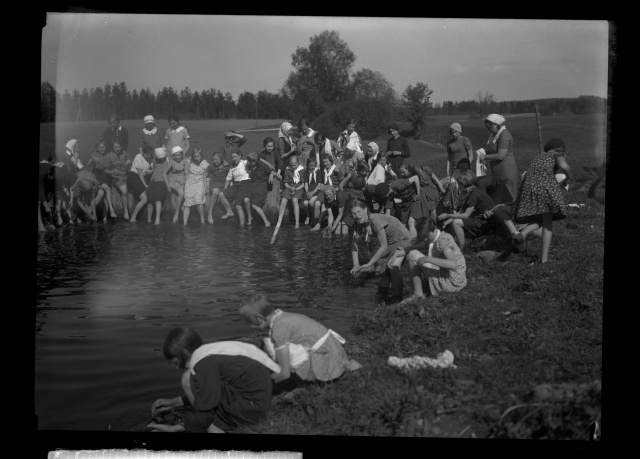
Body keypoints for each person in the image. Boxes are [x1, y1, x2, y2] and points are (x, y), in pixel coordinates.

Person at [148, 327, 276, 433]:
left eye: (176, 362)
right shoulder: (209, 352)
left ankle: (216, 430)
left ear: (185, 353)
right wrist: (175, 402)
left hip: (250, 412)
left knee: (187, 378)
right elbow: (211, 390)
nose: (176, 368)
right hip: (258, 404)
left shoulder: (204, 363)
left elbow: (207, 412)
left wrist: (179, 427)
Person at [239, 294, 361, 386]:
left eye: (250, 324)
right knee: (274, 345)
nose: (251, 327)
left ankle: (312, 380)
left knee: (270, 346)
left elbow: (284, 373)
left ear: (260, 318)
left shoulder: (278, 329)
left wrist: (263, 385)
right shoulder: (283, 316)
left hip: (326, 356)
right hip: (334, 350)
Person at [511, 138, 571, 264]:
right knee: (548, 223)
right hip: (544, 189)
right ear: (560, 149)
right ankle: (544, 260)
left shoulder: (539, 157)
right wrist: (567, 178)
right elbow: (564, 166)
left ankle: (523, 234)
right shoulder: (557, 154)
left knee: (541, 218)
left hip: (529, 189)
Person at [350, 201, 412, 303]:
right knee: (382, 275)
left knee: (393, 266)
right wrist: (356, 265)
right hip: (389, 242)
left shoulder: (375, 221)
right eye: (354, 213)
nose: (357, 216)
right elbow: (354, 246)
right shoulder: (358, 225)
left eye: (359, 212)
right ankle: (382, 299)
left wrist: (370, 263)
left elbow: (383, 247)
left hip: (402, 239)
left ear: (365, 209)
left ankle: (398, 298)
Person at [395, 216, 467, 302]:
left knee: (412, 255)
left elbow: (453, 264)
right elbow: (423, 244)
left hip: (453, 282)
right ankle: (416, 293)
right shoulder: (438, 235)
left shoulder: (443, 241)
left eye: (426, 235)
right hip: (458, 279)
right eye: (423, 236)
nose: (425, 239)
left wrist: (428, 259)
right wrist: (404, 250)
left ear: (434, 228)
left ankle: (417, 294)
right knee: (411, 252)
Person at [438, 170, 496, 249]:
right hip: (485, 218)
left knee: (456, 223)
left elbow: (465, 215)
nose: (458, 186)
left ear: (462, 184)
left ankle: (462, 247)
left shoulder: (474, 195)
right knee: (458, 228)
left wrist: (447, 215)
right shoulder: (473, 191)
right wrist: (447, 222)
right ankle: (465, 244)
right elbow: (460, 212)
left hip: (486, 221)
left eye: (458, 184)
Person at [481, 114, 519, 201]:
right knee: (499, 195)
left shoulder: (504, 135)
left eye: (490, 127)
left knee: (509, 194)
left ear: (496, 125)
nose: (489, 129)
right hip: (497, 171)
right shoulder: (493, 135)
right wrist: (484, 151)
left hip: (506, 171)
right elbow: (493, 150)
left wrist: (485, 157)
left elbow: (500, 155)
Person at [85, 140, 117, 219]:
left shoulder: (109, 155)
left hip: (106, 176)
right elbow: (88, 164)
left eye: (103, 147)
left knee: (102, 193)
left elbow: (115, 164)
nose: (102, 149)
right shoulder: (94, 154)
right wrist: (92, 159)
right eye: (100, 147)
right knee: (107, 188)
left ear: (105, 147)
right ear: (97, 148)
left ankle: (89, 209)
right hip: (97, 175)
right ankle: (111, 210)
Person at [222, 150, 253, 227]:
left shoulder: (244, 162)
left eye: (236, 156)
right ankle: (229, 211)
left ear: (240, 156)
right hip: (236, 185)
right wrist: (225, 189)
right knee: (221, 194)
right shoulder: (232, 166)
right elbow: (228, 179)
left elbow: (254, 160)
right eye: (232, 157)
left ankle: (242, 226)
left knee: (238, 206)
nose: (234, 158)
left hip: (245, 184)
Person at [275, 155, 305, 229]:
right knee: (283, 200)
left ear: (298, 163)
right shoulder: (288, 170)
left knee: (294, 200)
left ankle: (297, 223)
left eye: (295, 165)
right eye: (292, 165)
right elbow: (285, 183)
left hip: (299, 187)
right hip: (289, 187)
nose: (293, 167)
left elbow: (303, 184)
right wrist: (290, 188)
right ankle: (279, 221)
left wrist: (296, 188)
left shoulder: (302, 170)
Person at [106, 141, 132, 220]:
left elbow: (130, 159)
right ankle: (126, 211)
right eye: (115, 147)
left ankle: (130, 210)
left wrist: (129, 161)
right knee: (124, 191)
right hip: (116, 177)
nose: (117, 149)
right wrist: (113, 172)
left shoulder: (124, 153)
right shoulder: (108, 156)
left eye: (118, 147)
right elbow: (106, 170)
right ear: (112, 148)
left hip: (125, 174)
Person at [246, 152, 273, 227]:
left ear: (256, 160)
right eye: (250, 161)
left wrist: (271, 175)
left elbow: (272, 170)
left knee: (254, 205)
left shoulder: (263, 166)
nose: (252, 163)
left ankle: (266, 222)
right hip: (253, 186)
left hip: (261, 186)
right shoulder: (250, 166)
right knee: (246, 200)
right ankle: (249, 218)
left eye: (253, 161)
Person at [183, 148, 209, 225]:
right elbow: (186, 174)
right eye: (195, 156)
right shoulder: (189, 162)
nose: (196, 158)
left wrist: (206, 187)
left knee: (198, 199)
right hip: (190, 181)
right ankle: (185, 223)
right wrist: (186, 185)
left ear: (201, 156)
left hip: (199, 181)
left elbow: (206, 176)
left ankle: (202, 218)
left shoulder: (205, 164)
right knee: (187, 200)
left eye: (198, 156)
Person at [206, 151, 234, 223]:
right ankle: (210, 213)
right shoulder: (212, 165)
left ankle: (229, 211)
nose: (214, 161)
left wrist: (231, 183)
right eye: (213, 159)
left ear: (221, 159)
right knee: (215, 192)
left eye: (216, 159)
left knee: (222, 193)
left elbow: (231, 174)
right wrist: (205, 185)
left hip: (223, 184)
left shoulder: (226, 165)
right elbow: (205, 174)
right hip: (215, 184)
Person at [145, 148, 171, 225]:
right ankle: (149, 219)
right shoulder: (155, 160)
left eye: (162, 158)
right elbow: (154, 169)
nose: (160, 159)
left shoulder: (168, 160)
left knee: (157, 199)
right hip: (153, 181)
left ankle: (157, 218)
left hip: (161, 182)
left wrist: (168, 186)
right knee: (150, 201)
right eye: (159, 158)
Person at [167, 146, 188, 224]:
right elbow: (164, 173)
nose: (177, 157)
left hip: (183, 180)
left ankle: (182, 208)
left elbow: (186, 173)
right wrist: (167, 185)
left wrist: (186, 183)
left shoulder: (185, 162)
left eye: (178, 155)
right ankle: (176, 213)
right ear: (173, 156)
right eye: (175, 155)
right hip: (175, 181)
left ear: (182, 155)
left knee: (187, 193)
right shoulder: (172, 162)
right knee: (181, 193)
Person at [303, 157, 323, 226]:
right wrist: (307, 192)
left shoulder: (318, 172)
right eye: (310, 166)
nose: (312, 167)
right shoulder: (306, 172)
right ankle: (308, 216)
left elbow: (319, 184)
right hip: (309, 190)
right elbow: (306, 183)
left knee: (311, 202)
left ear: (316, 165)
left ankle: (314, 217)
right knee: (305, 203)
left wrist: (312, 193)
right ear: (308, 165)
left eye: (313, 165)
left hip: (316, 191)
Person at [38, 157, 57, 231]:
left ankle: (51, 223)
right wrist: (45, 204)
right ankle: (40, 226)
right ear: (49, 173)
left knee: (48, 200)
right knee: (39, 202)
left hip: (43, 183)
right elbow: (40, 188)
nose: (50, 179)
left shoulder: (54, 172)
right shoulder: (42, 173)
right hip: (40, 182)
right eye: (50, 177)